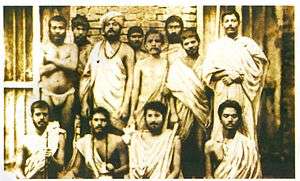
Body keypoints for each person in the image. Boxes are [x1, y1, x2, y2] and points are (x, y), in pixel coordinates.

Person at [202, 9, 269, 142]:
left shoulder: (247, 43)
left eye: (233, 20)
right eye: (227, 21)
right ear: (222, 24)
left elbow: (262, 65)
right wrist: (227, 73)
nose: (230, 24)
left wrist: (240, 76)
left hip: (243, 90)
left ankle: (246, 159)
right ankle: (223, 160)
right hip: (223, 89)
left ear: (238, 23)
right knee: (222, 125)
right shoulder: (216, 46)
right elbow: (208, 76)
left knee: (245, 123)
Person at [80, 11, 134, 133]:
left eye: (114, 24)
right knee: (99, 137)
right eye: (108, 24)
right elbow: (87, 77)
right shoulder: (97, 48)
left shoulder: (127, 50)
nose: (111, 27)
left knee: (118, 139)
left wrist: (125, 105)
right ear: (104, 28)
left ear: (120, 27)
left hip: (118, 104)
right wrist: (84, 102)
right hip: (98, 102)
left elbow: (131, 80)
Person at [166, 28, 210, 178]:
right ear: (183, 46)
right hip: (182, 109)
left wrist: (210, 113)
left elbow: (211, 91)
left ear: (198, 42)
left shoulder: (206, 62)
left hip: (201, 109)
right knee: (183, 143)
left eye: (193, 42)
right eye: (187, 43)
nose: (191, 45)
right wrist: (173, 113)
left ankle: (199, 176)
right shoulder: (177, 65)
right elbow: (171, 91)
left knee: (200, 144)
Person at [40, 15, 78, 162]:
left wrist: (51, 60)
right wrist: (62, 63)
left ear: (66, 29)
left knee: (67, 131)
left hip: (67, 93)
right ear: (49, 29)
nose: (57, 31)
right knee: (48, 129)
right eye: (54, 27)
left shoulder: (72, 47)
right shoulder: (43, 47)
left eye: (61, 28)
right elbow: (39, 70)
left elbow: (73, 67)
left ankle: (65, 165)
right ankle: (48, 165)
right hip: (48, 93)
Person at [62, 107, 129, 178]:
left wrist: (114, 171)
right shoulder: (84, 142)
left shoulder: (118, 141)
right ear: (90, 123)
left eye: (103, 120)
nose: (99, 123)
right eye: (96, 120)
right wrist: (70, 173)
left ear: (108, 123)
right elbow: (76, 167)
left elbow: (126, 167)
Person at [204, 100, 262, 179]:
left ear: (239, 119)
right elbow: (209, 176)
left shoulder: (248, 145)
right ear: (220, 119)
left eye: (234, 116)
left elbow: (256, 176)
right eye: (226, 116)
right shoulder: (210, 145)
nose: (230, 119)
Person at [125, 101, 181, 179]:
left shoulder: (171, 139)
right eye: (150, 116)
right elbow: (132, 168)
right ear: (145, 118)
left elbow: (176, 170)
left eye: (157, 115)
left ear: (163, 118)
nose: (153, 120)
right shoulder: (136, 138)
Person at [129, 28, 169, 130]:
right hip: (143, 104)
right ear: (145, 45)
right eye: (150, 41)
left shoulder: (166, 63)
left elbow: (169, 87)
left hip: (160, 104)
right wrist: (132, 114)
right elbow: (135, 89)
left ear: (162, 44)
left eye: (157, 41)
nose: (154, 44)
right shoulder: (141, 64)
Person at [15, 100, 66, 179]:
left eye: (45, 114)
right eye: (38, 114)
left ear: (49, 116)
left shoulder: (58, 135)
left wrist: (51, 159)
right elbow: (18, 168)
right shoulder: (25, 140)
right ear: (32, 116)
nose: (42, 117)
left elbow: (61, 166)